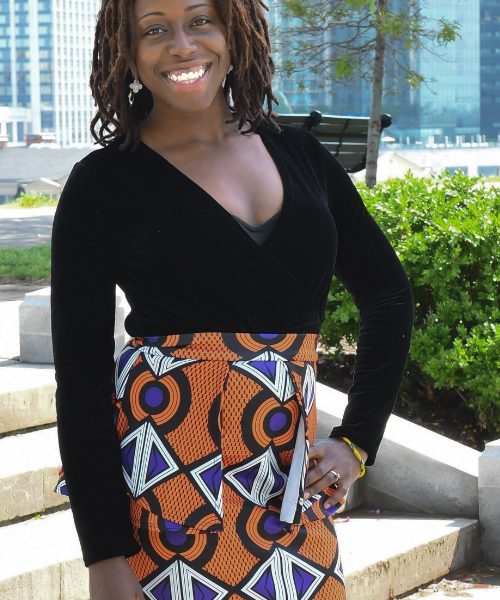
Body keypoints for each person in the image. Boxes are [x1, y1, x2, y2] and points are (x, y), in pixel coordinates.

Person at [51, 0, 414, 598]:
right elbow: (81, 378)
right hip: (169, 479)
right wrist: (105, 554)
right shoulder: (103, 182)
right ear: (127, 52)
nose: (182, 44)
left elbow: (389, 295)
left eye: (200, 20)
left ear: (234, 30)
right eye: (154, 29)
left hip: (286, 483)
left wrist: (357, 440)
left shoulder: (302, 156)